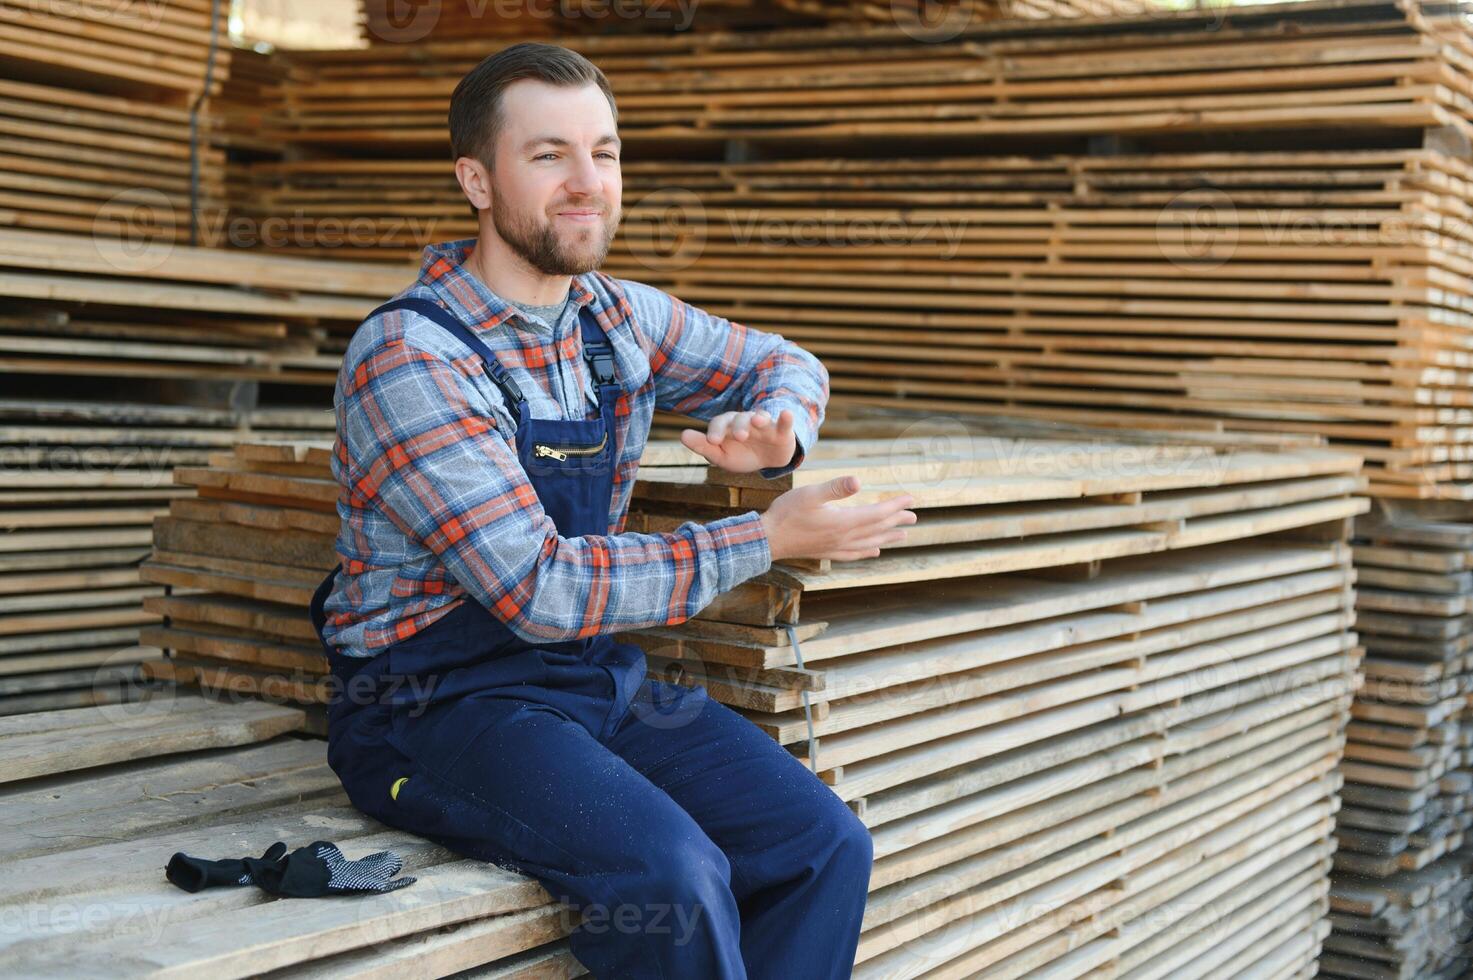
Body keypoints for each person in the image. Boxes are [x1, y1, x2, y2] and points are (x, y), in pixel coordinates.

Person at [308, 41, 916, 979]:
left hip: (584, 682)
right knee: (673, 878)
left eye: (606, 151)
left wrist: (780, 435)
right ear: (476, 178)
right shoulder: (413, 356)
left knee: (822, 843)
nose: (586, 182)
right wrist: (768, 535)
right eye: (547, 155)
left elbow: (785, 362)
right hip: (432, 705)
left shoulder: (613, 319)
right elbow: (537, 588)